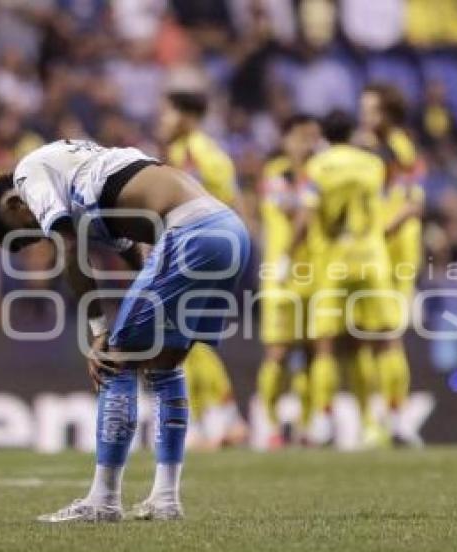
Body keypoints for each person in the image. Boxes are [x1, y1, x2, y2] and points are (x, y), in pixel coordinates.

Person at [0, 139, 250, 521]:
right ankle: (165, 498)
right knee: (164, 363)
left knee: (115, 360)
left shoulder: (28, 175)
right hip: (228, 232)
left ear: (15, 204)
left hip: (190, 233)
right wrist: (148, 306)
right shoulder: (87, 174)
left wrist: (100, 331)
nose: (42, 233)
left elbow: (70, 247)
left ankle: (103, 501)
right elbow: (132, 252)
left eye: (31, 229)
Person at [283, 110, 401, 445]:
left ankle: (322, 419)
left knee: (325, 346)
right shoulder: (373, 164)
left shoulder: (318, 167)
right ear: (352, 132)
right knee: (382, 340)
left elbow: (307, 215)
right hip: (371, 259)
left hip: (332, 263)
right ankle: (387, 417)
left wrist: (286, 255)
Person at [158, 91, 248, 448]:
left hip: (200, 251)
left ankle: (217, 420)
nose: (162, 121)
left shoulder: (193, 153)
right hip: (212, 249)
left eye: (167, 113)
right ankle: (219, 421)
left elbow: (195, 207)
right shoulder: (202, 150)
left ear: (185, 116)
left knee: (184, 338)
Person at [358, 84, 425, 446]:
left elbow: (414, 204)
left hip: (394, 254)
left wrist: (380, 232)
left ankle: (394, 419)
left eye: (371, 110)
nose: (364, 116)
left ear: (388, 113)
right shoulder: (371, 147)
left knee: (386, 336)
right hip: (372, 254)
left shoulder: (400, 150)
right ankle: (380, 420)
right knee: (369, 337)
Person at [255, 114, 322, 446]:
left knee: (312, 353)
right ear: (287, 140)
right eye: (301, 137)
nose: (308, 145)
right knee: (278, 353)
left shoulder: (321, 173)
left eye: (313, 138)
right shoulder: (276, 173)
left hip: (319, 274)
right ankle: (269, 424)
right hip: (280, 276)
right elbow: (297, 216)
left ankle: (308, 425)